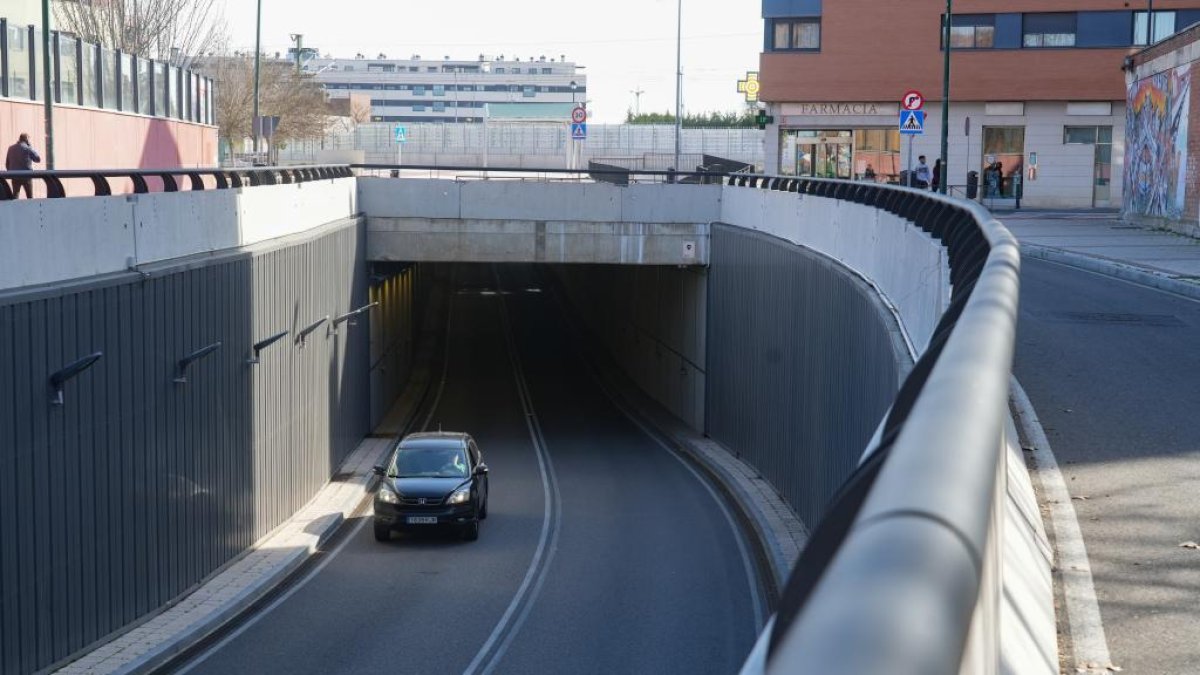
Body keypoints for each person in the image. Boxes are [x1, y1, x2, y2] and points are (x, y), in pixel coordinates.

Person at [5, 133, 42, 199]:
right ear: (27, 140)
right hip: (26, 176)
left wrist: (10, 172)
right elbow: (38, 159)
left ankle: (14, 208)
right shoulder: (27, 148)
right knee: (29, 197)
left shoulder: (10, 148)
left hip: (14, 176)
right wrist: (30, 147)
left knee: (15, 196)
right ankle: (31, 208)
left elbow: (7, 163)